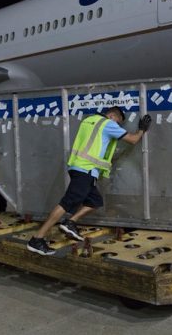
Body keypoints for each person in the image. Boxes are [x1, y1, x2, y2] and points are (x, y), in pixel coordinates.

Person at [27, 106, 151, 256]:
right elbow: (132, 140)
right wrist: (142, 129)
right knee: (67, 203)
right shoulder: (107, 124)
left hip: (80, 168)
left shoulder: (88, 121)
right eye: (118, 122)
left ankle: (70, 222)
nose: (117, 126)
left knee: (95, 202)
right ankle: (37, 239)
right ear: (112, 116)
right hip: (85, 169)